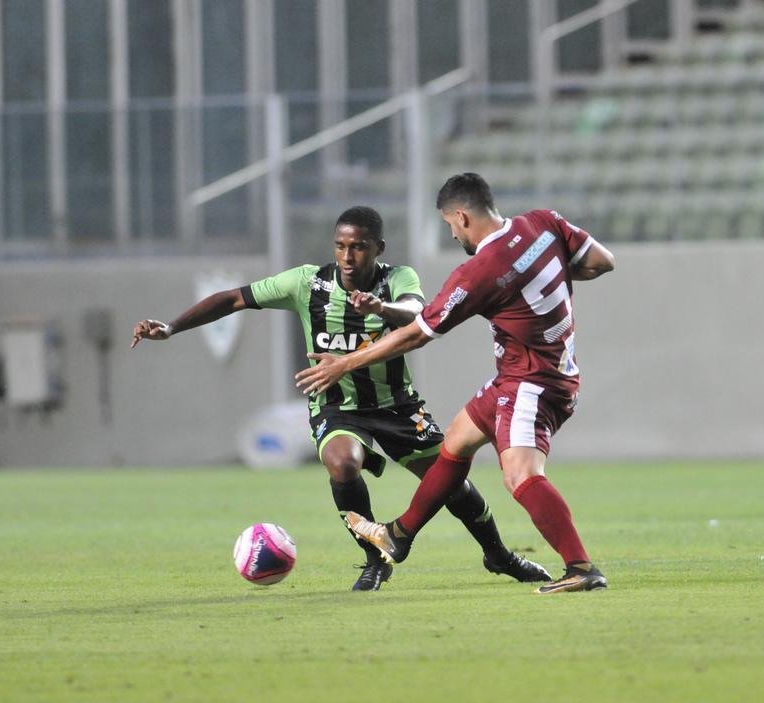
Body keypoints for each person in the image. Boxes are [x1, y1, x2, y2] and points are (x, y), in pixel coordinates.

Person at [130, 205, 551, 590]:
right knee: (343, 464)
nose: (348, 257)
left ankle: (497, 554)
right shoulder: (305, 283)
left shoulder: (397, 277)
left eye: (359, 248)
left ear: (378, 249)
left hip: (397, 405)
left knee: (452, 483)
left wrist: (381, 309)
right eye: (341, 246)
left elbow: (418, 314)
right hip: (338, 407)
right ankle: (374, 558)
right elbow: (233, 298)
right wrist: (170, 328)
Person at [296, 173, 616, 594]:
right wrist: (540, 279)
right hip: (521, 374)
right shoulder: (543, 222)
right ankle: (400, 534)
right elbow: (600, 261)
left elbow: (415, 334)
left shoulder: (480, 271)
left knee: (520, 475)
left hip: (532, 383)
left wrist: (345, 363)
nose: (452, 233)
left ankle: (580, 567)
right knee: (457, 441)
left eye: (449, 225)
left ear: (462, 217)